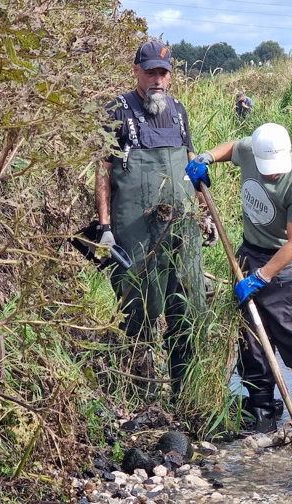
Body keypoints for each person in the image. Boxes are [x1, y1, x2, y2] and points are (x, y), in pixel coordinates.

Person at [188, 123, 292, 437]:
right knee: (251, 346)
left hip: (287, 269)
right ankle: (264, 420)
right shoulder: (252, 151)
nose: (271, 174)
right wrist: (206, 158)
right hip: (249, 255)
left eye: (275, 170)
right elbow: (230, 149)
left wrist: (262, 277)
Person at [96, 40, 214, 398]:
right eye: (150, 72)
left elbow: (192, 165)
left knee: (187, 306)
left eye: (163, 72)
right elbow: (102, 172)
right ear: (136, 72)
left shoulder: (179, 112)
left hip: (181, 228)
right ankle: (138, 395)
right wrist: (104, 228)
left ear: (170, 75)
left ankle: (186, 391)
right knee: (137, 309)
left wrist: (204, 214)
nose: (157, 79)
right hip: (133, 231)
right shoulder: (116, 111)